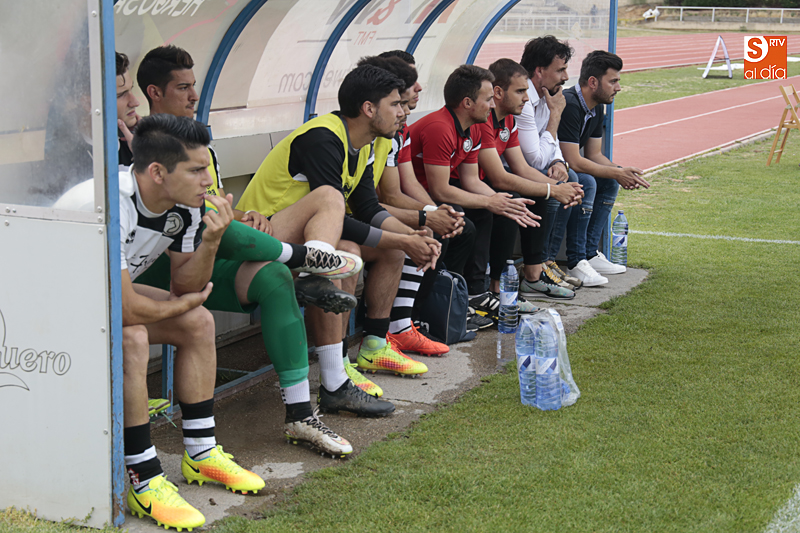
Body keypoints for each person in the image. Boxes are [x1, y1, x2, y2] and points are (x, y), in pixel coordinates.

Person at [132, 45, 357, 458]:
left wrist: (242, 215)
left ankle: (300, 414)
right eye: (183, 88)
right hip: (153, 270)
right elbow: (179, 221)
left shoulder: (199, 143)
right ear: (155, 93)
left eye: (194, 86)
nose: (194, 96)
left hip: (203, 253)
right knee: (229, 238)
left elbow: (211, 207)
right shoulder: (140, 149)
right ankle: (301, 258)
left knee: (272, 276)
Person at [237, 65, 440, 408]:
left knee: (369, 250)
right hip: (259, 237)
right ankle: (338, 363)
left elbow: (368, 209)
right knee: (345, 237)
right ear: (369, 109)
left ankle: (355, 363)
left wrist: (414, 236)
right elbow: (336, 217)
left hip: (302, 241)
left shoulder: (361, 143)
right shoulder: (322, 137)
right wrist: (405, 240)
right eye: (396, 104)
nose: (404, 112)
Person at [120, 114, 263, 530]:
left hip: (99, 296)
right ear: (157, 172)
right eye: (197, 170)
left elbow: (186, 284)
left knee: (198, 322)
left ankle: (201, 454)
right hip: (39, 308)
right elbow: (126, 310)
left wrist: (212, 239)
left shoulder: (183, 205)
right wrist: (178, 306)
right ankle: (142, 477)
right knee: (131, 336)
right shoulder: (114, 200)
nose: (208, 179)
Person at [405, 64, 540, 325]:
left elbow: (470, 179)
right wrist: (491, 200)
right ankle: (439, 302)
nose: (492, 106)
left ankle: (472, 294)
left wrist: (501, 202)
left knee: (489, 212)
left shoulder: (476, 126)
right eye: (488, 99)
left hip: (432, 195)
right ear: (467, 102)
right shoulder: (439, 127)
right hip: (414, 197)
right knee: (462, 225)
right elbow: (439, 189)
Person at [355, 54, 464, 355]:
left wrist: (433, 214)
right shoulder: (349, 137)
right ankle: (351, 355)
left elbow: (392, 192)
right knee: (395, 242)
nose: (417, 89)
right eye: (404, 90)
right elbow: (379, 200)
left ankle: (402, 326)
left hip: (348, 218)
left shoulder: (387, 134)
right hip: (295, 230)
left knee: (422, 234)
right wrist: (426, 218)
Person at [479, 58, 584, 306]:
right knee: (511, 202)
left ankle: (533, 275)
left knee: (539, 194)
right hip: (470, 187)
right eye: (520, 91)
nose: (526, 98)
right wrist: (553, 189)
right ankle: (496, 289)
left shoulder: (507, 120)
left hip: (483, 184)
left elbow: (522, 167)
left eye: (526, 90)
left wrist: (558, 189)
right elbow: (499, 177)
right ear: (498, 92)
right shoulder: (484, 120)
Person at [557, 50, 651, 283]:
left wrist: (621, 172)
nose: (618, 87)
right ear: (593, 82)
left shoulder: (597, 105)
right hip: (552, 168)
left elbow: (594, 154)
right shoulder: (570, 104)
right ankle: (576, 260)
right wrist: (618, 172)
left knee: (609, 181)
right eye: (613, 81)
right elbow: (574, 160)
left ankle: (589, 253)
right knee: (586, 181)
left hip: (567, 166)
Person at [516, 35, 596, 288]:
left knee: (577, 179)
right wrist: (556, 114)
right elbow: (536, 158)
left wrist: (560, 163)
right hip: (512, 171)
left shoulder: (547, 95)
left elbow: (550, 146)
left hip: (528, 167)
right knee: (559, 186)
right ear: (539, 71)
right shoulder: (525, 100)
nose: (565, 77)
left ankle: (550, 259)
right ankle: (536, 264)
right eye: (560, 70)